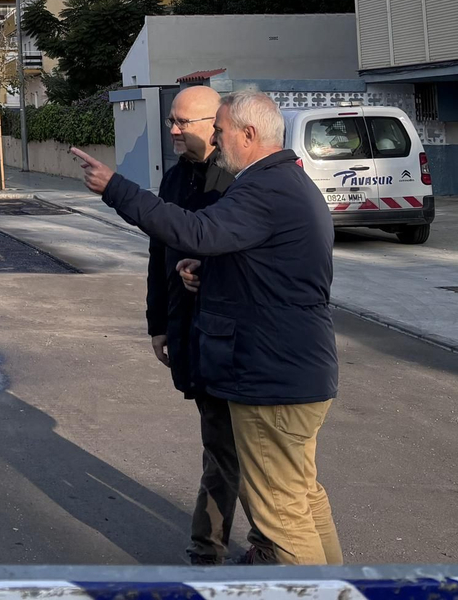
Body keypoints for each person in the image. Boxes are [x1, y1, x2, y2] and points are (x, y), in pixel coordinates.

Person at [71, 90, 341, 566]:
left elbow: (195, 231)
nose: (216, 139)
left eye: (220, 130)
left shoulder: (263, 189)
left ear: (248, 134)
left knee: (282, 517)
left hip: (269, 378)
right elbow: (266, 270)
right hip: (296, 371)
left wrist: (116, 187)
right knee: (301, 498)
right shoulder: (288, 182)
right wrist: (207, 273)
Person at [143, 85, 273, 565]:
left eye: (183, 123)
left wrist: (208, 273)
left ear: (214, 126)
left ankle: (237, 548)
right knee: (220, 444)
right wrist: (158, 322)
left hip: (235, 339)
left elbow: (247, 255)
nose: (173, 131)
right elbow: (159, 255)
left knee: (236, 450)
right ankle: (222, 549)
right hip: (190, 333)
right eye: (171, 121)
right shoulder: (176, 179)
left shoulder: (239, 181)